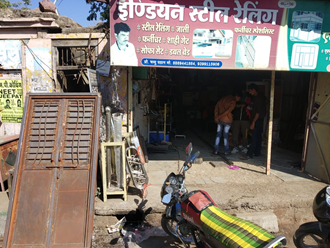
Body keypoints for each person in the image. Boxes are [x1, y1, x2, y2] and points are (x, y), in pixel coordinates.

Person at [241, 84, 267, 160]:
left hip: (257, 119)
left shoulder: (258, 98)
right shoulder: (259, 97)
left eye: (250, 91)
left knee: (254, 137)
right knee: (258, 136)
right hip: (259, 119)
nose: (249, 92)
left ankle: (249, 154)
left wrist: (253, 122)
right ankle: (257, 152)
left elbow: (258, 112)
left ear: (254, 90)